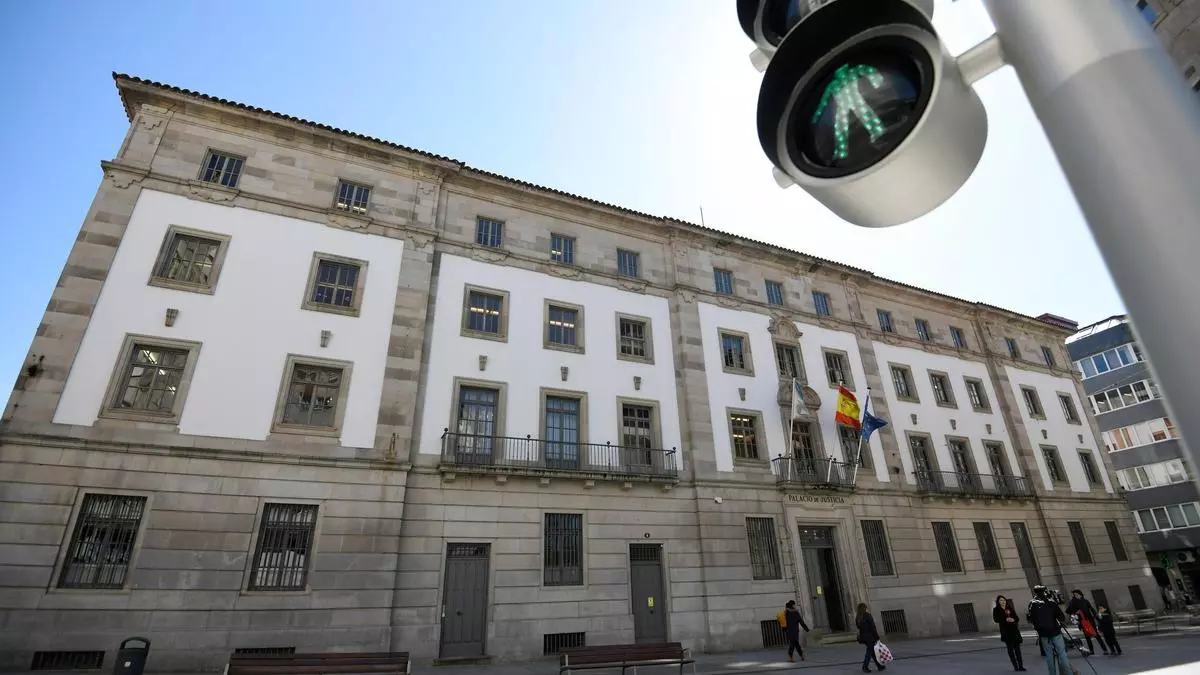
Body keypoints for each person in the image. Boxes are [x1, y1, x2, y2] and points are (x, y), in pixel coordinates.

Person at [1026, 585, 1077, 675]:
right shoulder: (1050, 601)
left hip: (1043, 634)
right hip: (1055, 632)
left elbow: (1029, 618)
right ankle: (1069, 673)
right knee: (1062, 654)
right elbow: (1061, 616)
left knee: (1049, 656)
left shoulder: (1032, 603)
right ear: (1044, 592)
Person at [1065, 589, 1108, 655]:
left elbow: (1092, 609)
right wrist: (1075, 612)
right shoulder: (1073, 602)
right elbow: (1068, 611)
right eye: (1074, 595)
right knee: (1087, 636)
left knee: (1096, 635)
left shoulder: (1085, 601)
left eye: (1077, 595)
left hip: (1090, 620)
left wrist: (1097, 618)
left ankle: (1105, 650)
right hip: (1082, 622)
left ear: (1080, 595)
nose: (1076, 596)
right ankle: (1091, 650)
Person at [993, 595, 1026, 671]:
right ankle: (1015, 666)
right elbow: (996, 619)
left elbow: (1017, 618)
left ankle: (1021, 666)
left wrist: (1013, 620)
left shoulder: (1010, 608)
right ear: (998, 602)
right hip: (1006, 632)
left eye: (1004, 600)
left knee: (1017, 650)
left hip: (1014, 631)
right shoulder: (996, 609)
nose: (1003, 601)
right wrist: (1005, 619)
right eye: (1001, 600)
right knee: (1010, 650)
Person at [855, 602, 886, 673]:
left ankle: (879, 666)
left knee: (872, 652)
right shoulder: (867, 615)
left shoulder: (858, 617)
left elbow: (858, 627)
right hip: (870, 637)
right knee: (869, 652)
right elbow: (873, 627)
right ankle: (865, 667)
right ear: (865, 608)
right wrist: (877, 637)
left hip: (863, 637)